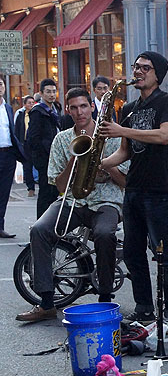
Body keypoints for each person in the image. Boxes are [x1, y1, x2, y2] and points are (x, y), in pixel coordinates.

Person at [15, 87, 127, 323]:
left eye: (84, 106)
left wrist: (103, 166)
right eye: (74, 108)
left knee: (105, 234)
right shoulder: (62, 139)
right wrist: (76, 159)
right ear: (68, 110)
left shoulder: (112, 135)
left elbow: (125, 182)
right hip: (72, 200)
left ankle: (105, 297)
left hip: (106, 200)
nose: (79, 112)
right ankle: (46, 302)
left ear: (92, 107)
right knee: (39, 230)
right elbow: (60, 186)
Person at [98, 51, 168, 324]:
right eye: (136, 67)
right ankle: (145, 307)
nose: (138, 72)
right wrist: (98, 164)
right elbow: (125, 152)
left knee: (163, 253)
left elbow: (164, 135)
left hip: (159, 189)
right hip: (133, 189)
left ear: (158, 74)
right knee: (134, 253)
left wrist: (123, 131)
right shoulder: (128, 109)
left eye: (145, 68)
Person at [27, 78, 61, 218]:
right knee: (45, 194)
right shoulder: (37, 111)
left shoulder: (56, 108)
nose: (51, 95)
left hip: (56, 158)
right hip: (45, 159)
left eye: (54, 91)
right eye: (48, 92)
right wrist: (46, 151)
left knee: (55, 193)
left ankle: (52, 228)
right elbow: (33, 138)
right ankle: (40, 228)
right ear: (41, 93)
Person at [0, 78, 25, 238]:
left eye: (1, 84)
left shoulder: (8, 108)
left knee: (3, 192)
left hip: (8, 154)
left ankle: (0, 226)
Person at [14, 95, 36, 197]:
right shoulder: (20, 116)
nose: (31, 104)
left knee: (39, 165)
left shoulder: (37, 115)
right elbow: (17, 130)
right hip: (25, 144)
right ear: (25, 105)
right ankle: (30, 187)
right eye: (29, 103)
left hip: (35, 144)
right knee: (27, 167)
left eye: (33, 102)